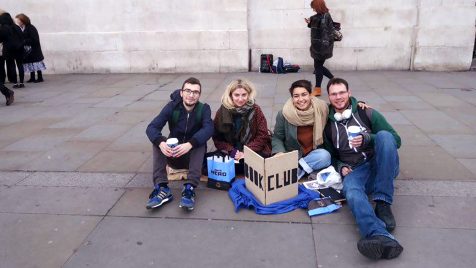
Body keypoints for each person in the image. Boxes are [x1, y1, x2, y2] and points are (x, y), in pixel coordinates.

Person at [323, 77, 403, 260]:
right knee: (351, 191)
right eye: (334, 94)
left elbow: (395, 140)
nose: (338, 97)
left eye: (342, 92)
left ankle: (382, 202)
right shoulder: (327, 124)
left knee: (384, 135)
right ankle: (379, 235)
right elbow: (330, 154)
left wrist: (368, 139)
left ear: (349, 93)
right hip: (356, 170)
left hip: (381, 164)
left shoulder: (367, 113)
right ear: (329, 98)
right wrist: (341, 165)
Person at [145, 77, 214, 211]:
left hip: (193, 159)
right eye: (188, 91)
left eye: (195, 92)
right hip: (173, 156)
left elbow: (209, 128)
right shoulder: (172, 107)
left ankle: (189, 189)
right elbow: (151, 127)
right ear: (181, 93)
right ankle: (162, 188)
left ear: (199, 95)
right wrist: (161, 143)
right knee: (158, 140)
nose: (191, 95)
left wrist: (190, 144)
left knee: (199, 141)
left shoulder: (204, 109)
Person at [272, 79, 331, 179]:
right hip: (293, 155)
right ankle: (305, 169)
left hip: (314, 154)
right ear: (292, 98)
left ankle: (297, 170)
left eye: (304, 94)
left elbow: (340, 105)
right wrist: (279, 152)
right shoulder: (284, 114)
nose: (300, 99)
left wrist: (358, 104)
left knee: (325, 156)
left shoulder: (322, 108)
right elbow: (277, 137)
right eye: (296, 96)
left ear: (310, 95)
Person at [213, 79, 271, 172]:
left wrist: (246, 151)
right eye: (236, 95)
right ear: (231, 95)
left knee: (260, 165)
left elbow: (263, 135)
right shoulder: (221, 112)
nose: (240, 99)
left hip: (253, 149)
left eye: (244, 95)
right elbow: (217, 138)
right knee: (213, 165)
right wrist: (232, 151)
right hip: (231, 151)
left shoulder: (256, 110)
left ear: (248, 95)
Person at [305, 0, 335, 96]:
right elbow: (316, 25)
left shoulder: (325, 16)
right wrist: (310, 22)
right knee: (318, 67)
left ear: (318, 6)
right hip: (316, 46)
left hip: (322, 47)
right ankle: (334, 80)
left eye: (313, 7)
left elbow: (325, 32)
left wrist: (324, 47)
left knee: (318, 67)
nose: (313, 9)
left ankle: (318, 89)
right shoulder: (318, 16)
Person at [15, 13, 46, 83]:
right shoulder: (24, 28)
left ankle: (40, 77)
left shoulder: (31, 28)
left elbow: (35, 39)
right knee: (30, 63)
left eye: (18, 21)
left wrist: (25, 41)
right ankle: (32, 77)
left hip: (34, 49)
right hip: (29, 49)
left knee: (36, 62)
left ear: (23, 20)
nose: (17, 22)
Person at [0, 12, 24, 88]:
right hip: (19, 48)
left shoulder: (3, 28)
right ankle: (21, 82)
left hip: (9, 49)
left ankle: (15, 83)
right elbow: (22, 37)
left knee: (12, 66)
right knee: (20, 65)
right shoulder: (16, 27)